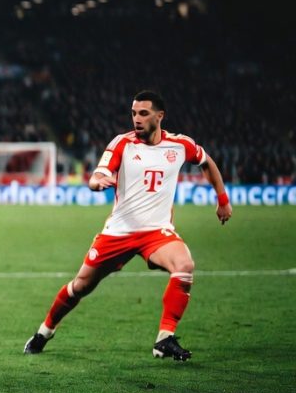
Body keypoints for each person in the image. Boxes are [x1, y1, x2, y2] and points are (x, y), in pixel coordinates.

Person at [23, 90, 232, 361]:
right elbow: (98, 174)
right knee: (80, 286)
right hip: (119, 233)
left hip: (156, 233)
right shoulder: (122, 143)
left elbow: (206, 161)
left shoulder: (180, 145)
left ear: (160, 116)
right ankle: (44, 331)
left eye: (143, 113)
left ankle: (164, 338)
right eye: (134, 113)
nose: (137, 119)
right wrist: (97, 182)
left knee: (184, 265)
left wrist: (222, 199)